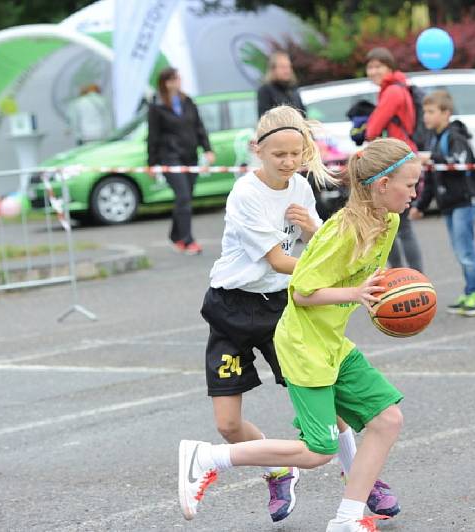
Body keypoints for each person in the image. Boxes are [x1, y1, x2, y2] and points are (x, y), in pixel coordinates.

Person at [178, 138, 420, 532]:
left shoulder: (388, 222)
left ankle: (347, 519)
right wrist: (356, 295)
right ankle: (207, 458)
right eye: (408, 185)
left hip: (331, 342)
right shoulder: (341, 231)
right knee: (317, 450)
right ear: (381, 185)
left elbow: (361, 278)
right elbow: (302, 291)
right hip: (303, 344)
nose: (414, 193)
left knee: (387, 419)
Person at [410, 90, 475, 317]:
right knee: (460, 250)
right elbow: (432, 177)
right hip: (449, 204)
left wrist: (431, 157)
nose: (425, 116)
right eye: (424, 112)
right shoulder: (434, 138)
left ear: (446, 113)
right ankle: (470, 292)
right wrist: (420, 205)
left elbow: (458, 162)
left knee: (466, 251)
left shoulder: (455, 135)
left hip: (464, 202)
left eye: (430, 112)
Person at [364, 47, 424, 272]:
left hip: (396, 161)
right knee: (394, 223)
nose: (373, 71)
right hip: (403, 157)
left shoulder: (392, 92)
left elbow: (372, 129)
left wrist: (364, 127)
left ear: (389, 67)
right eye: (370, 67)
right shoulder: (400, 87)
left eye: (378, 66)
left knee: (396, 224)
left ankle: (406, 276)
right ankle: (408, 275)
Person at [147, 67, 215, 255]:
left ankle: (175, 236)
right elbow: (153, 136)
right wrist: (152, 163)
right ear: (166, 82)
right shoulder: (156, 106)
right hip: (170, 158)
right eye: (175, 79)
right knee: (183, 196)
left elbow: (199, 127)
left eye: (179, 78)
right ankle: (187, 240)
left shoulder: (187, 101)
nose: (179, 82)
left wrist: (207, 148)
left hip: (189, 156)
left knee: (185, 198)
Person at [257, 51, 306, 117]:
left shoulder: (293, 89)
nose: (287, 70)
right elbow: (264, 119)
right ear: (273, 69)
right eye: (283, 67)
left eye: (289, 66)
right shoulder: (265, 91)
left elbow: (303, 114)